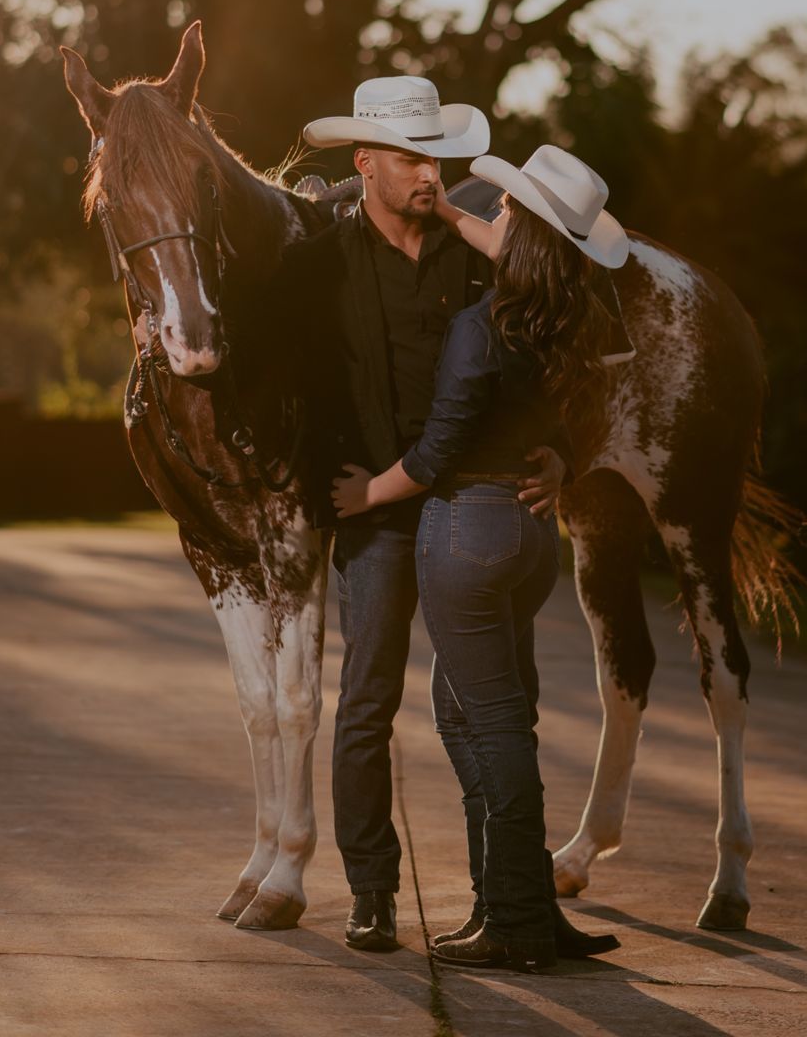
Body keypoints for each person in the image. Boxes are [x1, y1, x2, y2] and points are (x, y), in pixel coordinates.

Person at [281, 78, 570, 953]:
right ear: (364, 162)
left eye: (435, 157)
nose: (429, 173)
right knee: (368, 702)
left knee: (496, 706)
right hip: (372, 509)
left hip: (466, 507)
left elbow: (544, 347)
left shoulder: (475, 254)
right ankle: (371, 891)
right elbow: (280, 375)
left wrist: (559, 451)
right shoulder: (319, 262)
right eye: (410, 158)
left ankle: (500, 900)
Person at [333, 144, 630, 972]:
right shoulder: (561, 319)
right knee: (469, 712)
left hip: (470, 529)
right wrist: (564, 457)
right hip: (530, 535)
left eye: (504, 211)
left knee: (494, 726)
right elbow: (579, 401)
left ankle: (517, 922)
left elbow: (435, 453)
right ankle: (517, 900)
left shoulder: (479, 327)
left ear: (523, 237)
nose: (489, 215)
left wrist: (366, 495)